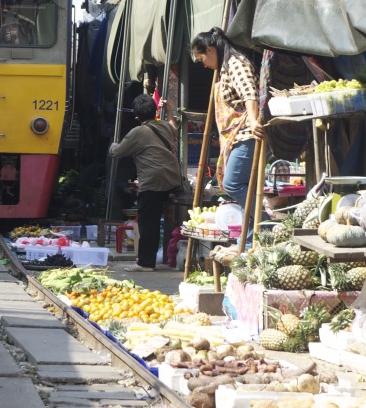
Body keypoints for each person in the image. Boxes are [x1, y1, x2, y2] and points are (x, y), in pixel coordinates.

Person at [190, 27, 265, 242]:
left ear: (210, 49)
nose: (203, 64)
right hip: (238, 136)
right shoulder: (224, 67)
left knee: (233, 184)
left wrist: (252, 120)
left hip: (247, 135)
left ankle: (267, 222)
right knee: (244, 188)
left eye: (201, 57)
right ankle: (250, 241)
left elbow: (249, 92)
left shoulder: (235, 63)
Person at [109, 93, 182, 271]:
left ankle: (146, 263)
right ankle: (159, 257)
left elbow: (118, 152)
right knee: (156, 220)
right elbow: (174, 126)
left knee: (149, 223)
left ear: (136, 116)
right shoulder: (164, 126)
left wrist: (112, 146)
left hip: (153, 181)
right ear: (155, 111)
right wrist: (170, 111)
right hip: (173, 178)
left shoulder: (137, 132)